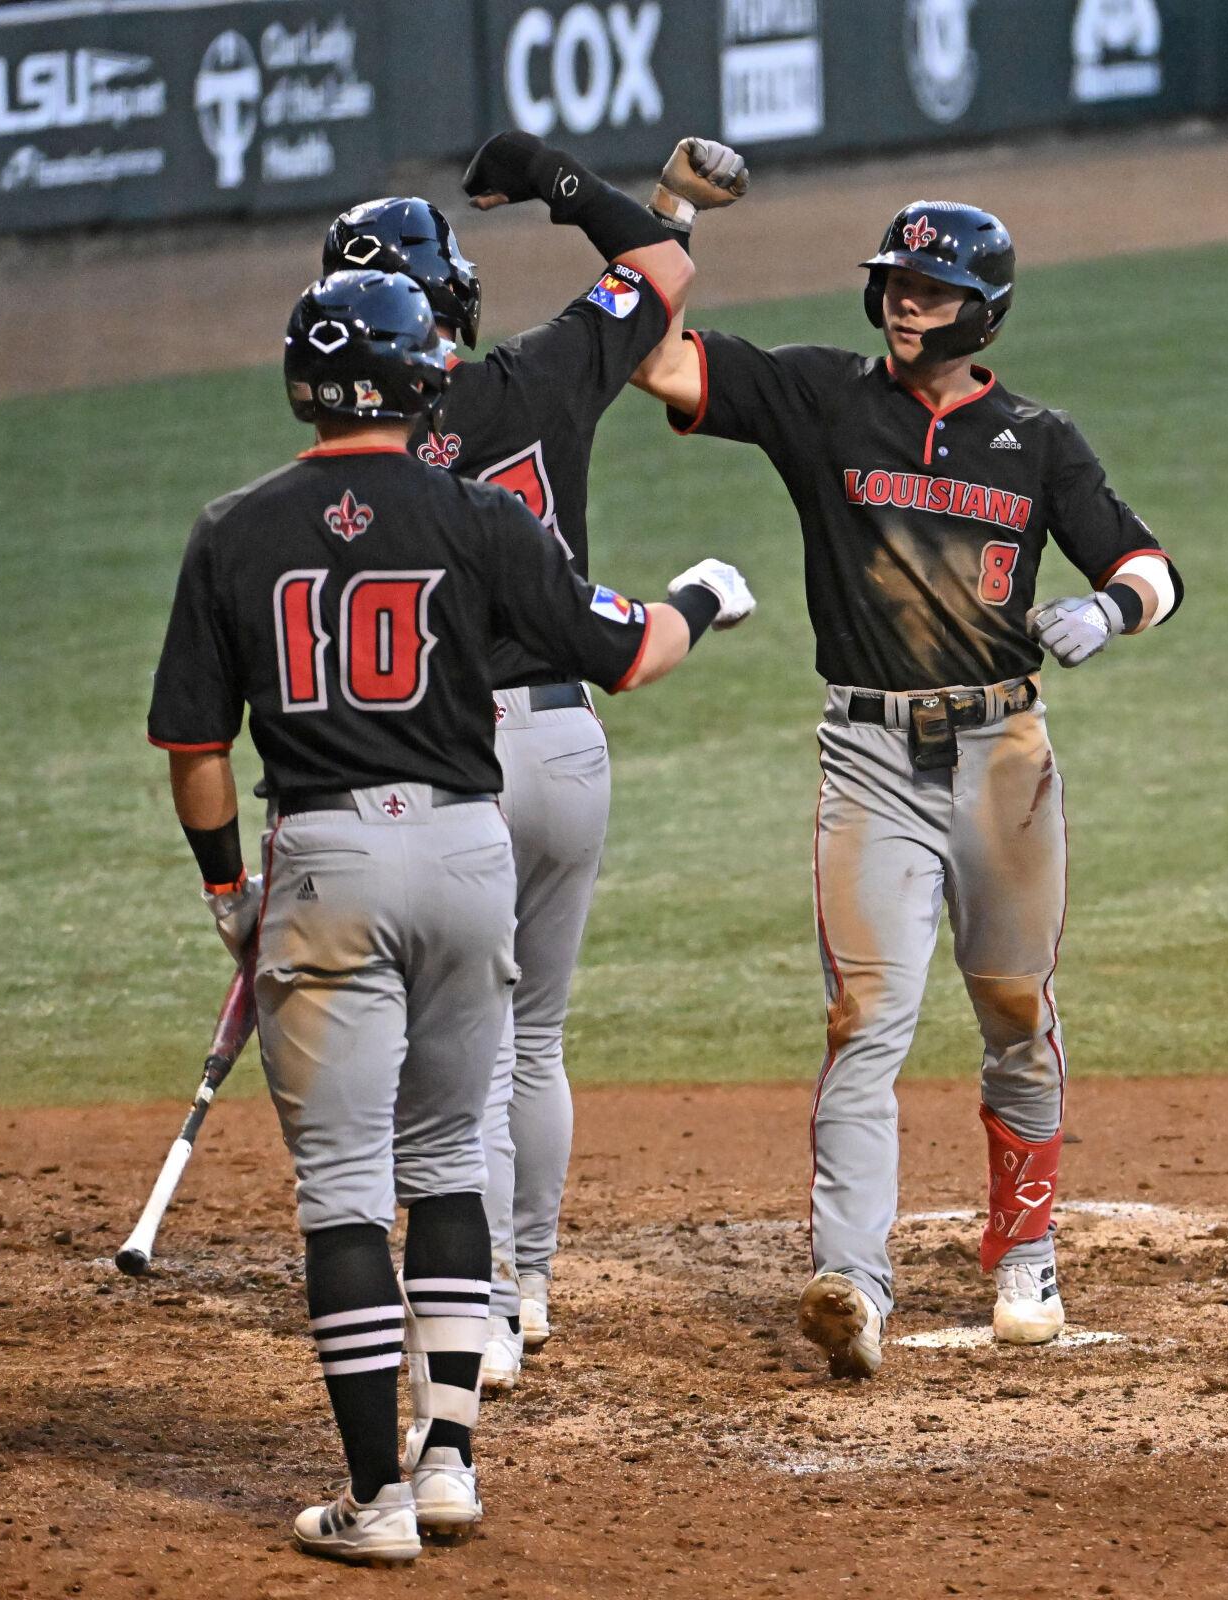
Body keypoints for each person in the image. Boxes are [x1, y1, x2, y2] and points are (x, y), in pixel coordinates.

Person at [146, 269, 754, 1562]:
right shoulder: (480, 517)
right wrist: (701, 593)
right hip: (469, 856)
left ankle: (371, 1504)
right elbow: (629, 652)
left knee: (346, 1192)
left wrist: (224, 893)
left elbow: (195, 745)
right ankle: (446, 1467)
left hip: (325, 863)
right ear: (418, 372)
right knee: (443, 1163)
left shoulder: (232, 529)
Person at [632, 198, 1182, 1378]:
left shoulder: (1036, 438)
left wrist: (1107, 607)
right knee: (861, 1023)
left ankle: (1022, 1247)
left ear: (979, 310)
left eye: (925, 289)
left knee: (1013, 1011)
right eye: (891, 281)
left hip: (1003, 765)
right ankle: (850, 1278)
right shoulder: (822, 395)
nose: (900, 300)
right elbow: (653, 358)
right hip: (867, 760)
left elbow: (1149, 566)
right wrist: (653, 219)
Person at [319, 131, 748, 1389]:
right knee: (536, 1040)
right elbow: (657, 269)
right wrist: (568, 184)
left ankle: (485, 1305)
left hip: (434, 771)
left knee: (460, 1053)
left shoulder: (353, 470)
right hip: (563, 740)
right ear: (450, 297)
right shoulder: (544, 373)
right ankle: (536, 1285)